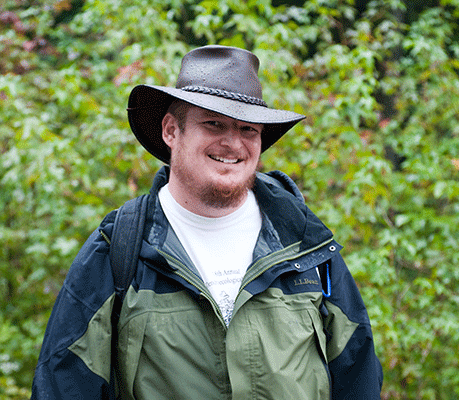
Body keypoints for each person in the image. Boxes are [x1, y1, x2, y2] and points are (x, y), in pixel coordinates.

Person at [32, 45, 382, 399]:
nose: (233, 143)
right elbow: (63, 386)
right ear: (171, 130)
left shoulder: (306, 245)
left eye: (248, 129)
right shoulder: (119, 249)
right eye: (213, 123)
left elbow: (359, 377)